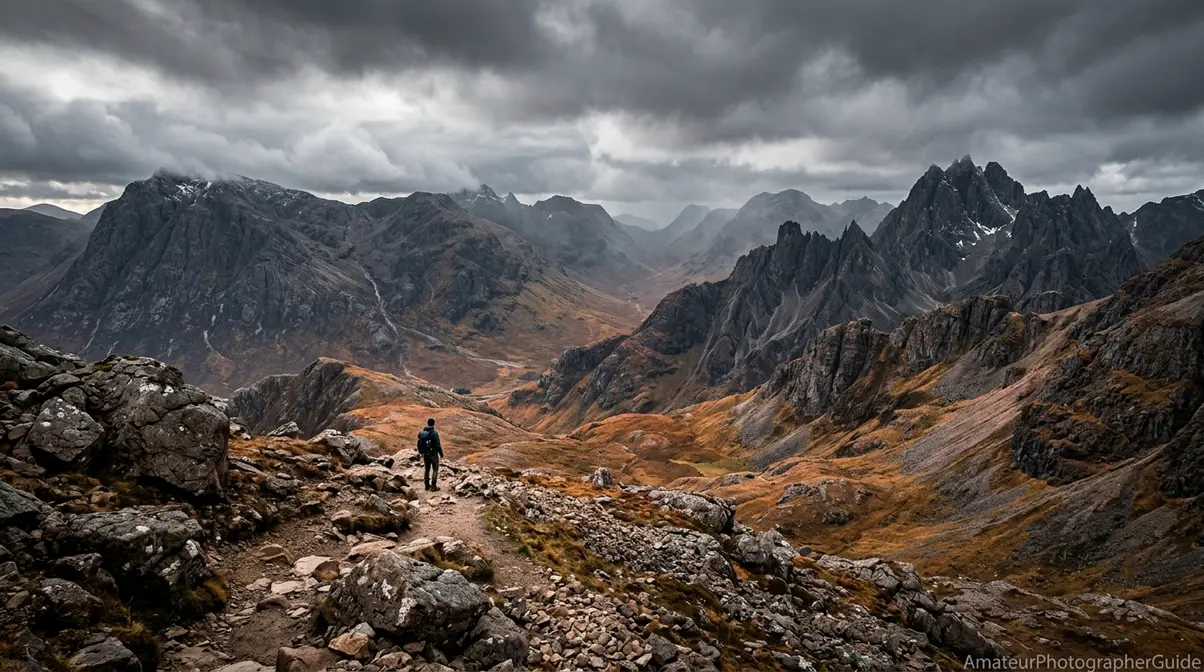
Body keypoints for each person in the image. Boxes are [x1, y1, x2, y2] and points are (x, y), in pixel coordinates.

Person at [417, 418, 443, 491]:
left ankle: (426, 485)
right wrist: (441, 453)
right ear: (433, 424)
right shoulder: (434, 433)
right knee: (435, 469)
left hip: (425, 454)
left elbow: (419, 443)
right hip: (433, 454)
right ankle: (433, 486)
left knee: (427, 469)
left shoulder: (422, 433)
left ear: (427, 423)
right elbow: (438, 445)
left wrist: (421, 452)